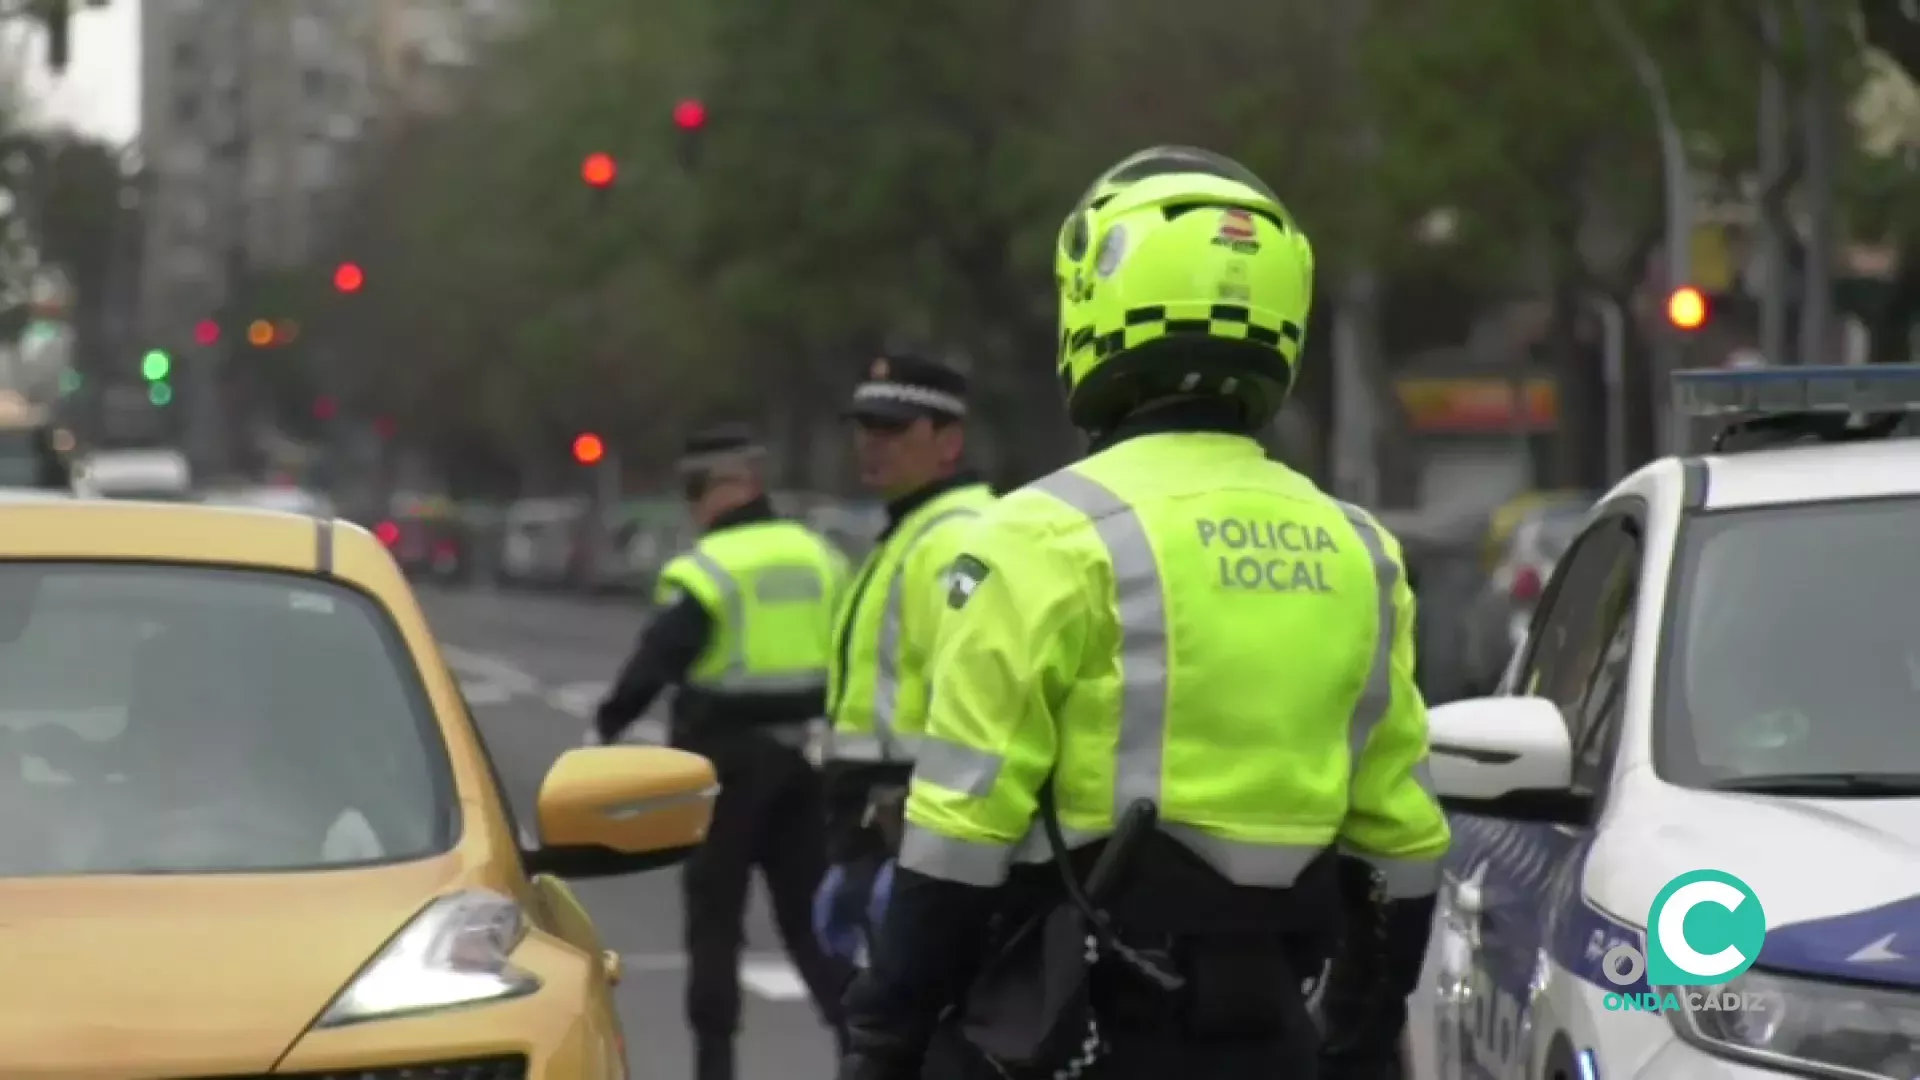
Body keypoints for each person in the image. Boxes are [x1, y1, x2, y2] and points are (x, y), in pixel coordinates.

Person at [835, 147, 1452, 1080]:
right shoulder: (1360, 550)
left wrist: (882, 1037)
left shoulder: (1039, 535)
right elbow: (1400, 841)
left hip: (1083, 1026)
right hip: (1279, 1029)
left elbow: (960, 837)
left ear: (1097, 307)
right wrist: (1360, 1034)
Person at [587, 424, 853, 1080]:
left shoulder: (707, 569)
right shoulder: (823, 556)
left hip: (724, 766)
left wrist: (606, 728)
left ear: (732, 486)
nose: (692, 505)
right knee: (813, 922)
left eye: (695, 490)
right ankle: (866, 1051)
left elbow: (659, 658)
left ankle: (715, 1066)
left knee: (715, 925)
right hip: (810, 762)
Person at [813, 354, 996, 969]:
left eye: (895, 429)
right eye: (865, 426)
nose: (872, 443)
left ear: (949, 440)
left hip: (911, 817)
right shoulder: (913, 530)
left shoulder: (955, 539)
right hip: (878, 819)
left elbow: (980, 697)